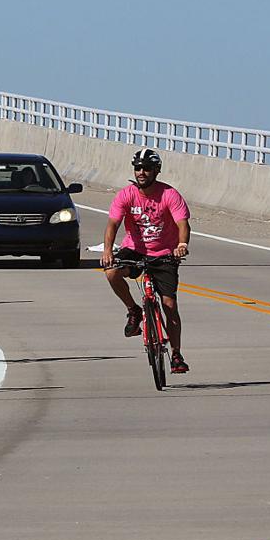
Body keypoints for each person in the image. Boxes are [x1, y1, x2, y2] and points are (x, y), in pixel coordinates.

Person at [100, 148, 192, 373]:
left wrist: (181, 245)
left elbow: (183, 224)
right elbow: (113, 224)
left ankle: (177, 354)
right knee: (111, 271)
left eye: (147, 168)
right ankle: (134, 310)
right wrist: (108, 251)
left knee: (169, 305)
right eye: (138, 168)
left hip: (164, 254)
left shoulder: (169, 194)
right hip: (134, 250)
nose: (141, 172)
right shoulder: (126, 195)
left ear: (156, 171)